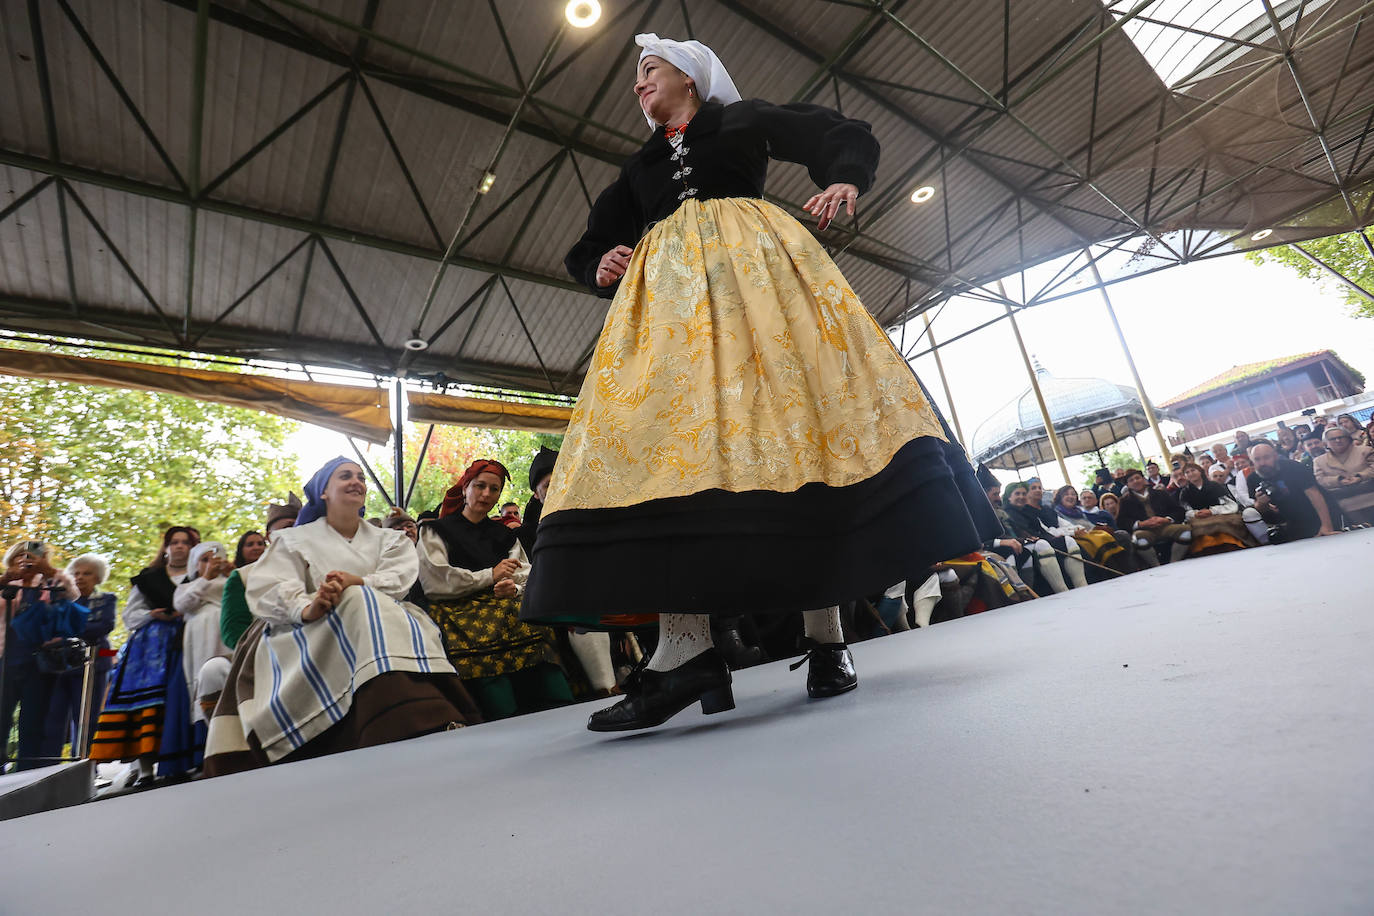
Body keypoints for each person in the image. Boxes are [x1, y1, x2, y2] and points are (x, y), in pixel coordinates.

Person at [524, 33, 996, 731]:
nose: (638, 85)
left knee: (800, 439)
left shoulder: (740, 120)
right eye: (637, 77)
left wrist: (843, 177)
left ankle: (826, 639)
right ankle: (686, 649)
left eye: (650, 70)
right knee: (667, 452)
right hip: (674, 316)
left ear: (690, 78)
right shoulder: (640, 166)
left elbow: (837, 130)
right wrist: (598, 262)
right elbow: (593, 239)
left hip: (760, 289)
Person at [203, 458, 479, 775]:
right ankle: (386, 720)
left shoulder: (388, 539)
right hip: (309, 630)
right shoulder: (293, 540)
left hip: (381, 618)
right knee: (358, 601)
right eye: (345, 476)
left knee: (363, 601)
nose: (356, 481)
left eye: (361, 476)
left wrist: (356, 582)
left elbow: (399, 579)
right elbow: (272, 587)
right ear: (324, 492)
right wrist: (309, 606)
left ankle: (413, 712)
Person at [418, 460, 572, 721]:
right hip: (458, 607)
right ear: (465, 488)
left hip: (504, 600)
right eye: (480, 486)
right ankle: (502, 712)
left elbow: (525, 571)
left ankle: (558, 705)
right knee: (485, 629)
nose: (486, 494)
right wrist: (489, 575)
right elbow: (436, 580)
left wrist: (513, 587)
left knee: (531, 620)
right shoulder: (436, 530)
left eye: (494, 489)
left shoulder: (503, 534)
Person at [89, 526, 198, 787]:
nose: (179, 546)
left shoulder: (199, 576)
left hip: (189, 640)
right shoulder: (149, 578)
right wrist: (152, 614)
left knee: (180, 700)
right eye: (174, 542)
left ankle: (182, 761)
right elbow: (130, 616)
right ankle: (145, 769)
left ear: (193, 548)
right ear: (166, 547)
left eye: (185, 542)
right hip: (149, 649)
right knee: (146, 703)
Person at [1, 542, 86, 770]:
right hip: (5, 660)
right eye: (20, 556)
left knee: (33, 720)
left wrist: (48, 571)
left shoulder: (50, 582)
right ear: (11, 559)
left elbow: (73, 595)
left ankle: (25, 771)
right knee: (1, 717)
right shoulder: (6, 582)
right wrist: (8, 578)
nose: (25, 560)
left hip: (39, 662)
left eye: (31, 557)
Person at [41, 554, 118, 760]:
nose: (80, 577)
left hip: (93, 665)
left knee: (87, 719)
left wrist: (67, 630)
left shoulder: (107, 599)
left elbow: (104, 626)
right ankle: (49, 766)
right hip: (60, 666)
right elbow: (52, 627)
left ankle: (86, 764)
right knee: (53, 719)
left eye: (87, 573)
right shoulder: (60, 599)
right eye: (76, 573)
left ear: (98, 577)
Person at [1002, 482, 1085, 593]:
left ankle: (1081, 585)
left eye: (1024, 494)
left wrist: (1054, 537)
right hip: (1023, 545)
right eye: (1017, 494)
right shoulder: (1008, 513)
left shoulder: (1027, 511)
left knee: (1068, 541)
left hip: (1040, 539)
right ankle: (1062, 590)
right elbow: (1020, 533)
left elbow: (1041, 530)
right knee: (1044, 544)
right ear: (1009, 497)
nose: (1021, 497)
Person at [1246, 441, 1337, 541]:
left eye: (1266, 457)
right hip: (1292, 522)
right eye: (1257, 459)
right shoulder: (1252, 479)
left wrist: (1326, 525)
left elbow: (1315, 495)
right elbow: (1259, 508)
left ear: (1275, 456)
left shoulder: (1294, 467)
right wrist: (1261, 503)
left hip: (1317, 514)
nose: (1262, 463)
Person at [1174, 462, 1262, 554]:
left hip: (1221, 514)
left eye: (1193, 470)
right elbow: (1185, 510)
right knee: (1197, 527)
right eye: (1187, 472)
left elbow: (1232, 505)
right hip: (1198, 518)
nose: (1191, 473)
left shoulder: (1214, 486)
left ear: (1200, 471)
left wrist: (1212, 511)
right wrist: (1195, 513)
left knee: (1221, 523)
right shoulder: (1184, 492)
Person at [1116, 469, 1190, 562]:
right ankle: (1155, 565)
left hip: (1165, 526)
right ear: (1127, 485)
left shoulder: (1160, 493)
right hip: (1144, 531)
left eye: (1137, 478)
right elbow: (1122, 521)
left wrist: (1166, 519)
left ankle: (1174, 561)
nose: (1135, 481)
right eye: (1131, 480)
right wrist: (1141, 524)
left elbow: (1178, 510)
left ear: (1143, 479)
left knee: (1186, 530)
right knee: (1138, 539)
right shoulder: (1124, 501)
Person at [1051, 486, 1125, 574]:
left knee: (1120, 535)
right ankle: (1115, 572)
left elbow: (1089, 525)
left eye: (1073, 494)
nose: (1070, 496)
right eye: (1066, 494)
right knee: (1101, 539)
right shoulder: (1056, 512)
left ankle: (1127, 570)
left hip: (1089, 533)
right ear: (1060, 497)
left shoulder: (1079, 511)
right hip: (1075, 537)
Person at [1313, 425, 1374, 525]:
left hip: (1371, 496)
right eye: (1332, 439)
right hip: (1345, 505)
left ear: (1348, 438)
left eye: (1341, 437)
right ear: (1325, 443)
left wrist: (1360, 477)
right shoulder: (1319, 461)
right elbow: (1320, 480)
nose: (1338, 440)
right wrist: (1339, 480)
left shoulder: (1366, 450)